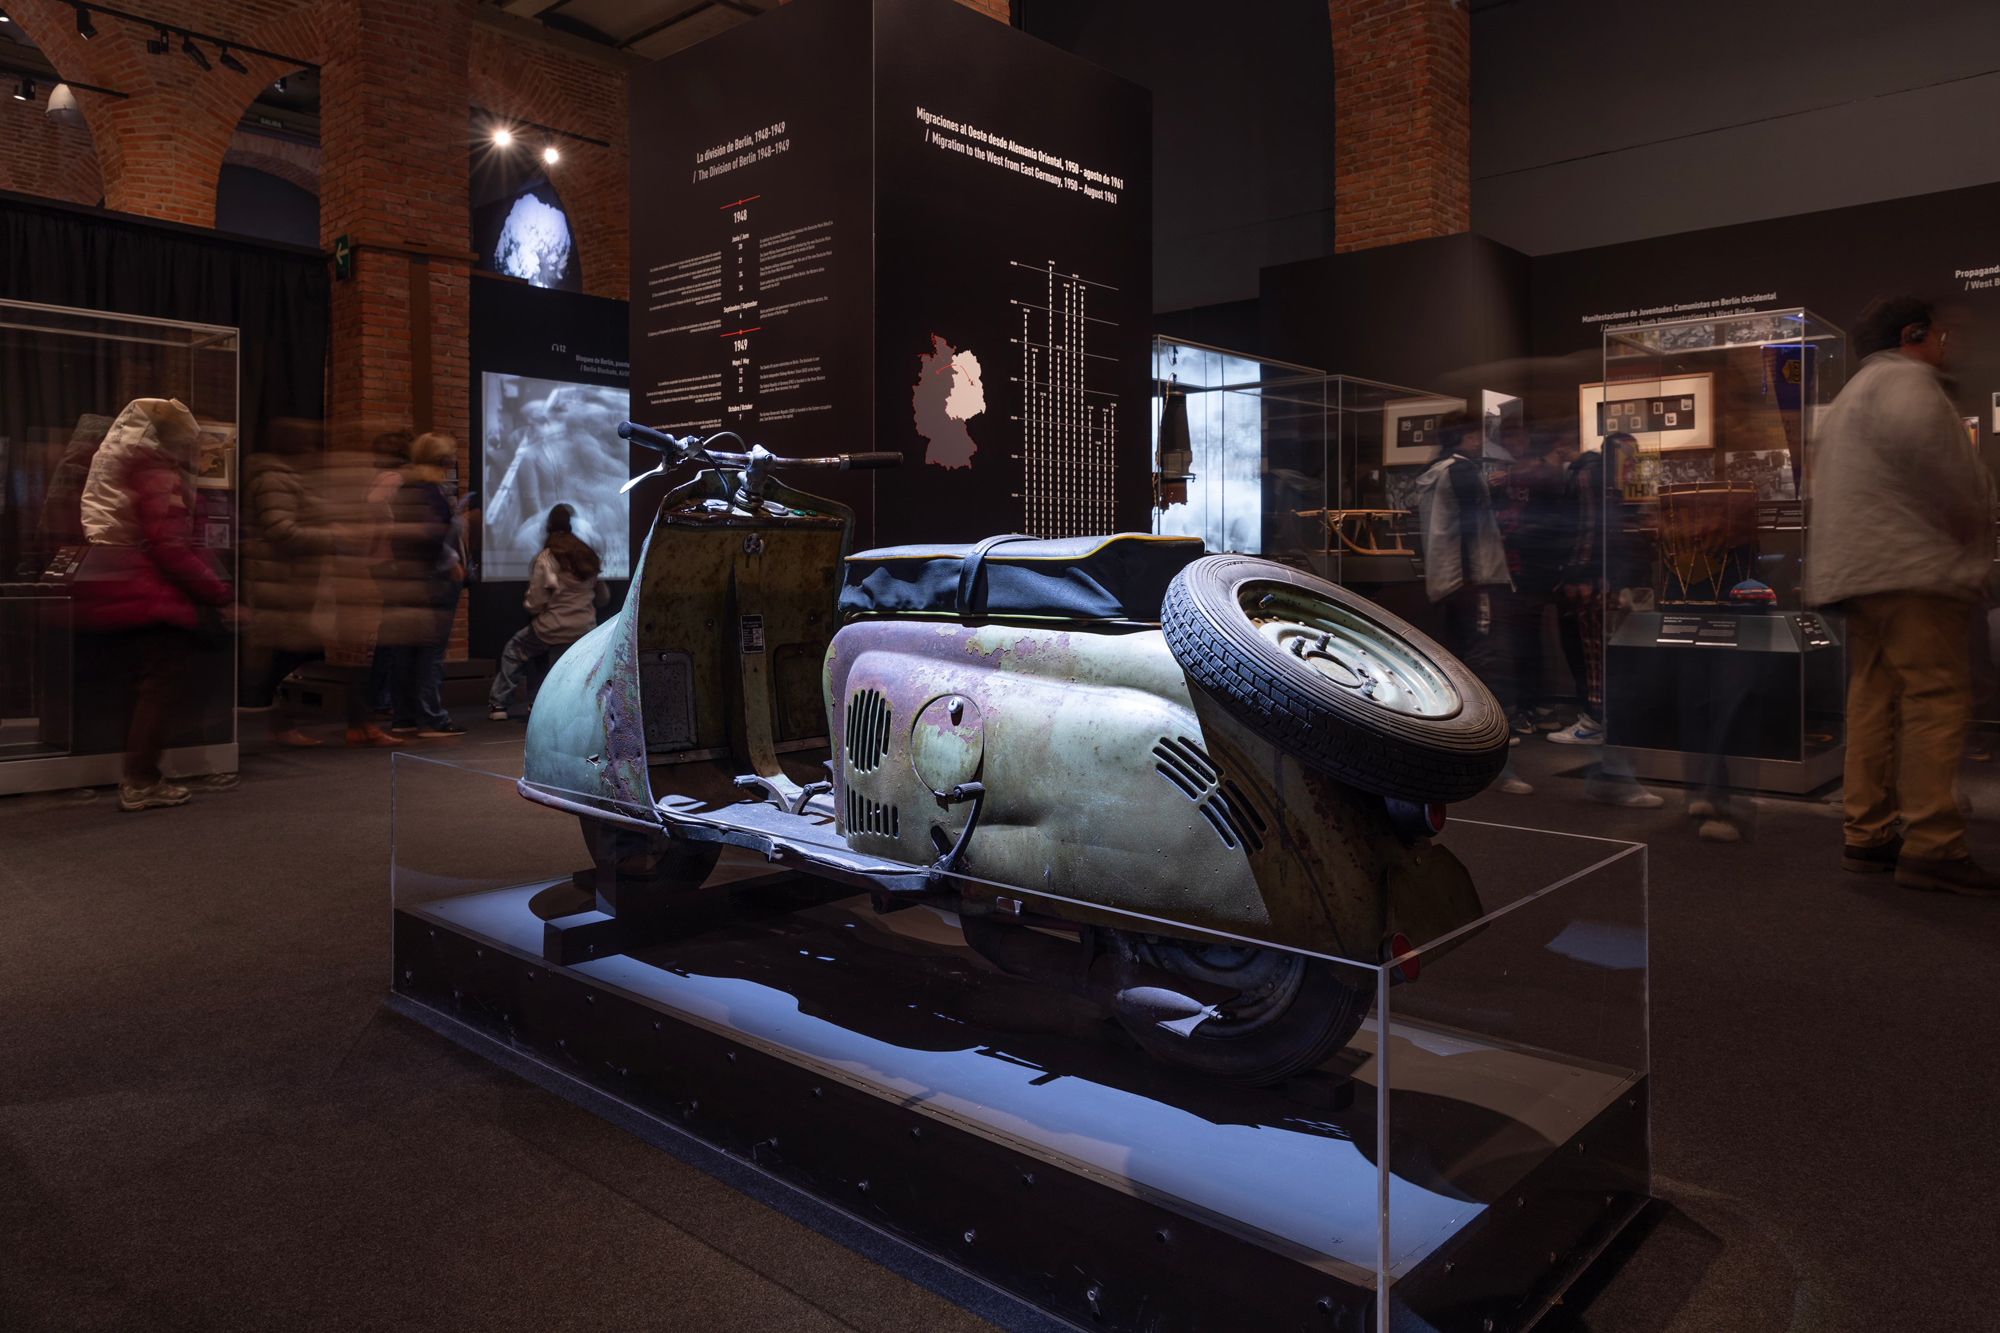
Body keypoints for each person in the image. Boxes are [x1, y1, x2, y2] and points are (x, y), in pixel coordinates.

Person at [1807, 294, 1999, 894]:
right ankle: (1934, 844)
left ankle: (1867, 834)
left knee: (1874, 698)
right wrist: (1973, 529)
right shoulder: (1907, 382)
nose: (1945, 344)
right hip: (1913, 572)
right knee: (1935, 698)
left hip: (1863, 577)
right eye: (1939, 334)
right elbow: (1948, 471)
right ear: (1913, 334)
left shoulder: (1850, 396)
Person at [68, 398, 237, 811]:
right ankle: (141, 781)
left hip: (120, 589)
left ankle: (140, 775)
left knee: (142, 690)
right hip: (150, 596)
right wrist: (219, 593)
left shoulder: (125, 468)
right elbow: (170, 547)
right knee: (159, 690)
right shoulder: (158, 475)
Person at [1415, 413, 1531, 794]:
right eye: (1476, 434)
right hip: (1470, 580)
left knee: (1462, 659)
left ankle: (1459, 745)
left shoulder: (1438, 469)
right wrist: (1474, 581)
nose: (1481, 440)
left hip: (1452, 581)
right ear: (1464, 436)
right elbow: (1469, 530)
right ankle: (1491, 751)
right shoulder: (1462, 470)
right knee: (1483, 660)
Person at [378, 432, 467, 739]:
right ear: (442, 460)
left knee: (406, 651)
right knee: (429, 651)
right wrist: (452, 563)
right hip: (433, 581)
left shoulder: (405, 488)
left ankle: (404, 718)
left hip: (406, 578)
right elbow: (432, 536)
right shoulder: (431, 492)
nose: (453, 459)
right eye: (451, 454)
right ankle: (431, 719)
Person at [488, 503, 609, 720]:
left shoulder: (546, 557)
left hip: (552, 628)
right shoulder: (587, 556)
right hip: (585, 629)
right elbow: (603, 598)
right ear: (570, 526)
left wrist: (532, 608)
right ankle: (537, 704)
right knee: (544, 654)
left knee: (514, 650)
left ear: (549, 526)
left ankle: (499, 705)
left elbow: (535, 602)